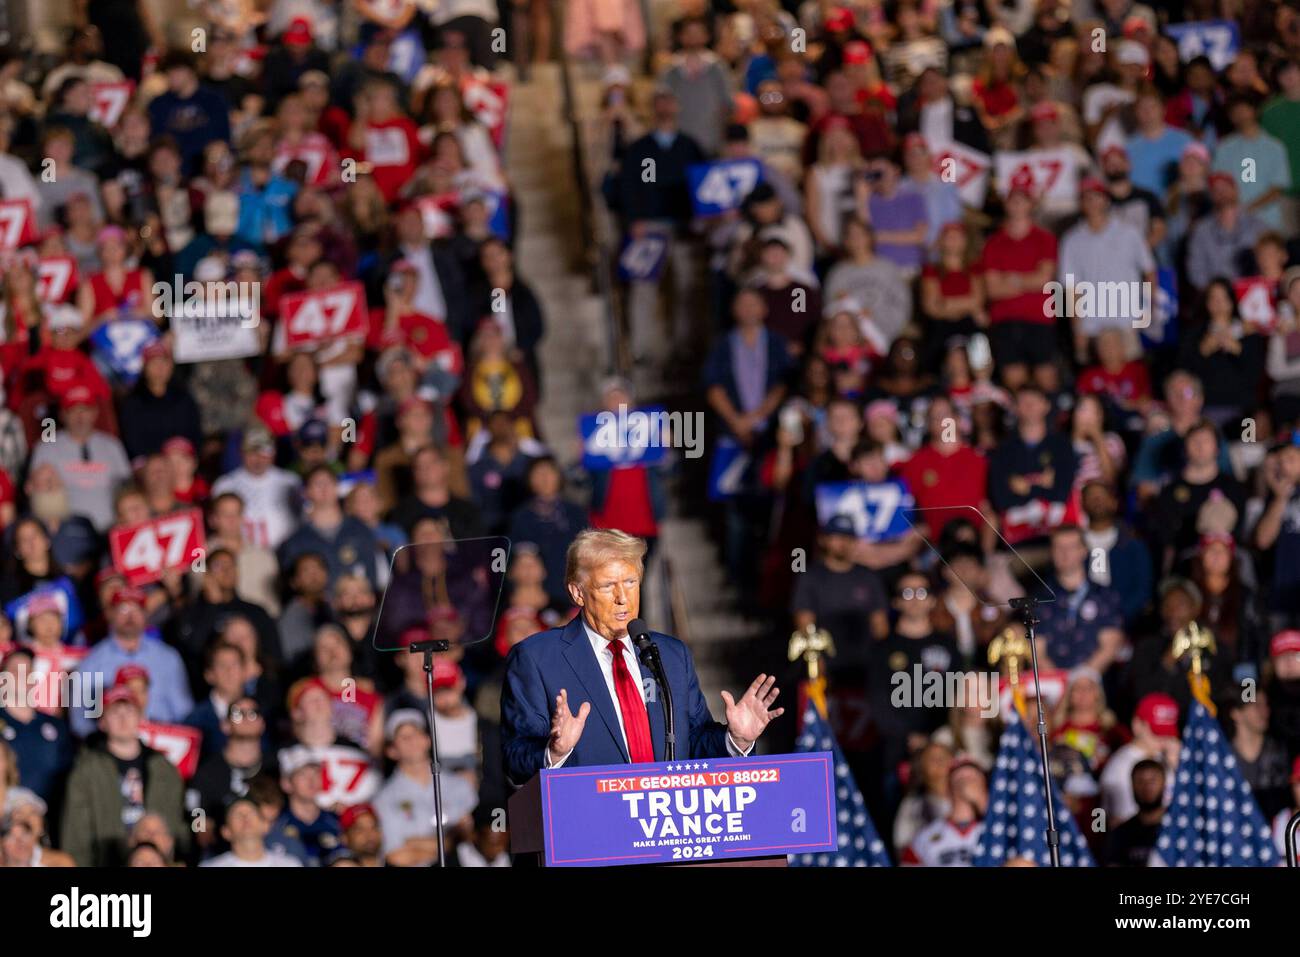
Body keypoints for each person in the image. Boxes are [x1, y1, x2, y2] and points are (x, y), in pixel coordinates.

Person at [500, 529, 784, 783]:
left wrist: (736, 740)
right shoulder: (536, 658)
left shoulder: (671, 655)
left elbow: (693, 745)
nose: (623, 597)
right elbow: (515, 758)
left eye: (631, 582)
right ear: (578, 593)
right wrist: (554, 752)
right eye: (608, 585)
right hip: (591, 830)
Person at [60, 686, 187, 867]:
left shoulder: (164, 768)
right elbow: (75, 834)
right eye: (114, 712)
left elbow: (178, 824)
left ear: (140, 716)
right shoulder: (85, 771)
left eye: (129, 711)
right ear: (102, 722)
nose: (123, 718)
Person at [901, 757, 988, 867]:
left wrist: (982, 803)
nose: (967, 782)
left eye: (973, 778)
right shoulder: (925, 836)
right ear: (948, 787)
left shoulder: (998, 829)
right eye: (961, 778)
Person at [200, 796, 302, 867]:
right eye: (237, 815)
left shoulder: (290, 864)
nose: (245, 818)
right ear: (226, 832)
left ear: (265, 825)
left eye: (251, 813)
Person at [1103, 759, 1165, 866]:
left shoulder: (1179, 829)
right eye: (1140, 781)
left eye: (1153, 781)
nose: (1147, 787)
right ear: (1132, 785)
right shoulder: (1119, 835)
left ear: (1164, 784)